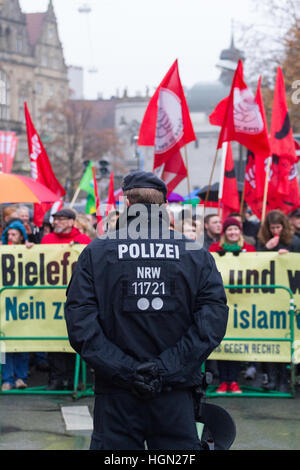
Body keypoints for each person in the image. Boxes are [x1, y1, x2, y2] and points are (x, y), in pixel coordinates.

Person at [65, 170, 229, 450]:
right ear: (163, 207)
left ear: (127, 205)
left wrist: (128, 371)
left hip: (117, 393)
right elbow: (210, 324)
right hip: (174, 390)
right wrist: (164, 370)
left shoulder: (97, 252)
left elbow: (81, 326)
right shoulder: (196, 253)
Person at [41, 208, 91, 390]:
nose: (57, 223)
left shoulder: (83, 241)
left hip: (74, 297)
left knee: (72, 339)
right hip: (48, 298)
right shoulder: (47, 240)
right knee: (52, 339)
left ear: (72, 221)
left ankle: (73, 378)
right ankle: (55, 378)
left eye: (61, 219)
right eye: (55, 219)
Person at [209, 217, 256, 394]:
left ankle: (234, 381)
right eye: (229, 230)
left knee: (237, 343)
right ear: (225, 233)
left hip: (243, 303)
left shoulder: (249, 249)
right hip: (222, 302)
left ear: (240, 231)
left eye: (236, 229)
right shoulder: (215, 249)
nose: (233, 233)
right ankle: (223, 381)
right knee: (224, 342)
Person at [257, 210, 299, 392]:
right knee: (270, 337)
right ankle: (272, 378)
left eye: (278, 227)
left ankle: (285, 379)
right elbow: (255, 263)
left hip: (287, 296)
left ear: (284, 226)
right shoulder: (263, 241)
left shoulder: (294, 241)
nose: (276, 230)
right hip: (268, 296)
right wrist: (267, 249)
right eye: (272, 227)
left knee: (285, 337)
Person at [1, 220, 33, 391]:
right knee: (4, 345)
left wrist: (32, 248)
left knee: (23, 342)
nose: (11, 237)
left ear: (22, 236)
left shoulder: (29, 249)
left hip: (22, 303)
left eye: (14, 234)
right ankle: (7, 378)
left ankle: (21, 377)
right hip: (4, 305)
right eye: (9, 234)